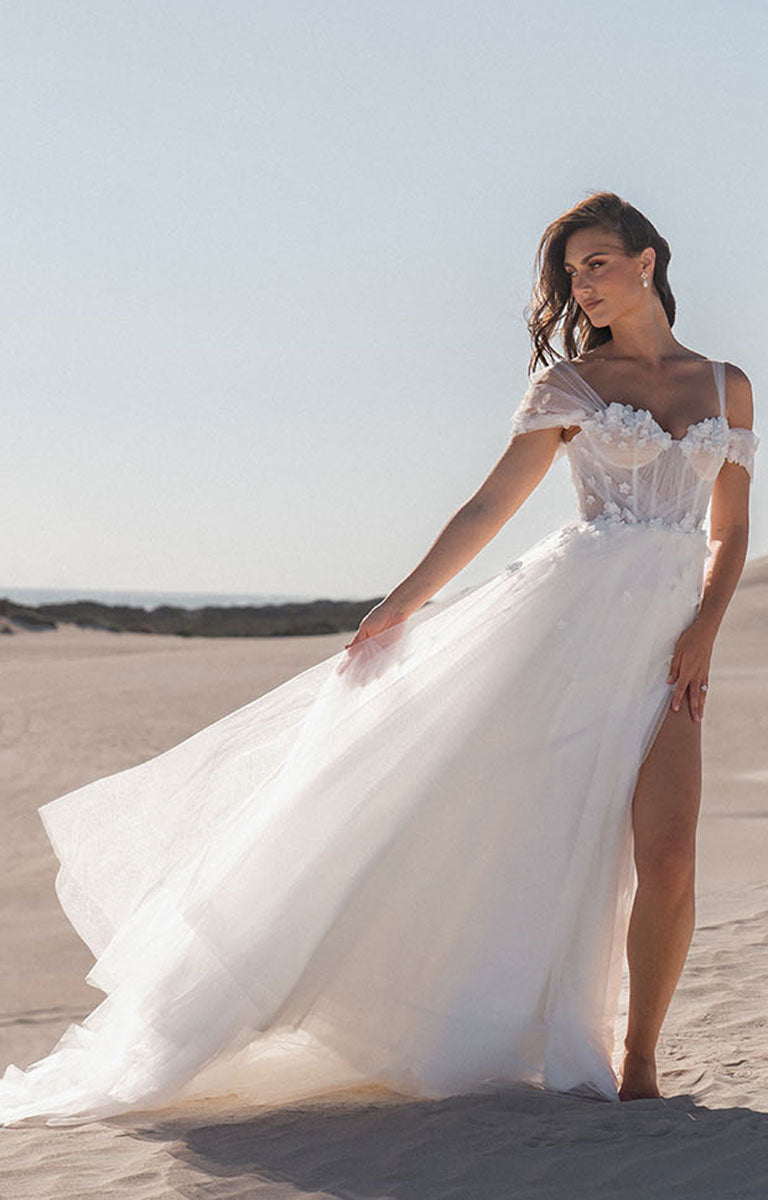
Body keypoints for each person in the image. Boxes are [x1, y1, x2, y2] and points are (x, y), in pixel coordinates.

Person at [0, 191, 758, 1128]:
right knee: (482, 831)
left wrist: (705, 629)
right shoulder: (572, 385)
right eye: (571, 275)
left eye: (597, 264)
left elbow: (729, 532)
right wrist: (400, 605)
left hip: (671, 646)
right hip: (570, 635)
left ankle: (641, 1062)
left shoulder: (727, 387)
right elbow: (489, 508)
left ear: (648, 260)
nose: (583, 286)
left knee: (671, 854)